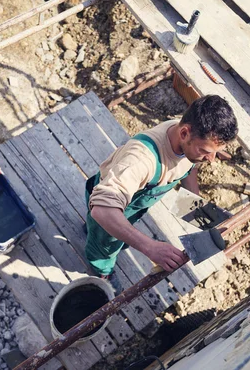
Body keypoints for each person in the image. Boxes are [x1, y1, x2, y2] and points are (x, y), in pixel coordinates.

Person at [84, 95, 238, 291]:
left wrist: (198, 210)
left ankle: (99, 231)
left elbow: (187, 167)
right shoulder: (140, 160)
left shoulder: (186, 139)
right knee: (104, 246)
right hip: (108, 207)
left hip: (129, 206)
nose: (211, 160)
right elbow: (102, 210)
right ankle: (101, 271)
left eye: (216, 152)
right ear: (184, 133)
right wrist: (150, 248)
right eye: (206, 151)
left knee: (117, 233)